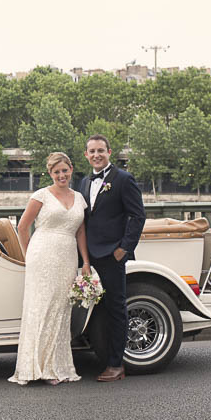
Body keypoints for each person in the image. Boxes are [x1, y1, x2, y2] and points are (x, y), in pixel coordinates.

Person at [9, 152, 91, 386]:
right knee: (42, 308)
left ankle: (56, 366)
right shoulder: (41, 196)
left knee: (61, 309)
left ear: (71, 169)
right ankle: (37, 366)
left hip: (67, 256)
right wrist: (29, 256)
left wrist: (85, 261)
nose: (61, 175)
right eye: (56, 172)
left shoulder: (79, 198)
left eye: (64, 170)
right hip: (42, 255)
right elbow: (23, 227)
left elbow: (81, 232)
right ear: (50, 173)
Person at [80, 134, 146, 382]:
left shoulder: (124, 179)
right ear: (86, 155)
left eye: (101, 150)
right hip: (88, 255)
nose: (96, 155)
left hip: (112, 255)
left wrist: (123, 249)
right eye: (92, 151)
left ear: (109, 152)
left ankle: (116, 364)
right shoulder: (84, 182)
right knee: (94, 310)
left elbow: (138, 217)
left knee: (116, 309)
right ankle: (97, 356)